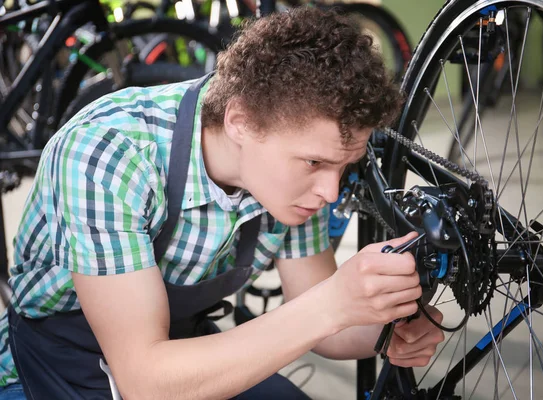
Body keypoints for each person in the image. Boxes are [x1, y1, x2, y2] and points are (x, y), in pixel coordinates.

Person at [0, 7, 444, 399]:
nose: (330, 190)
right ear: (240, 122)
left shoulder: (292, 185)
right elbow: (146, 383)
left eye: (344, 167)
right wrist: (332, 303)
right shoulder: (109, 153)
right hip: (55, 366)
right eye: (314, 162)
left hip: (181, 352)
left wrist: (385, 330)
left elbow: (322, 315)